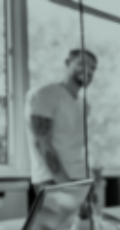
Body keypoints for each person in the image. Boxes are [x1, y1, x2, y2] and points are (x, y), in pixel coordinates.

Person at [25, 49, 98, 192]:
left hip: (80, 178)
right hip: (53, 180)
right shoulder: (45, 94)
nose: (88, 70)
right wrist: (66, 185)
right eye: (82, 63)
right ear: (67, 63)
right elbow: (42, 144)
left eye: (92, 68)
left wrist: (89, 178)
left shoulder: (84, 104)